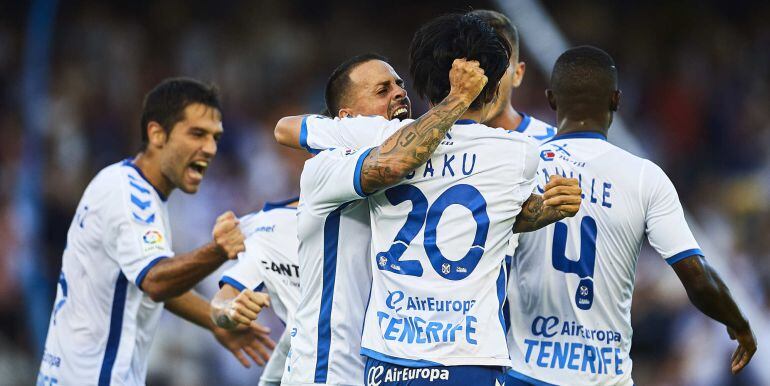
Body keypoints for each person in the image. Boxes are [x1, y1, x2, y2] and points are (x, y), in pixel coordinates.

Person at [504, 46, 757, 386]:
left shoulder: (518, 164)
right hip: (603, 376)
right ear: (616, 100)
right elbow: (697, 279)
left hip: (526, 371)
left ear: (551, 99)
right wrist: (738, 323)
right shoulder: (643, 176)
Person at [37, 78, 274, 386]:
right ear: (157, 133)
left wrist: (214, 321)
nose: (210, 148)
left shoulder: (125, 185)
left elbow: (148, 279)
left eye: (215, 137)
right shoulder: (131, 197)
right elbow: (156, 281)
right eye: (197, 134)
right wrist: (218, 250)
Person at [209, 197, 300, 386]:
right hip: (306, 370)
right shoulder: (269, 226)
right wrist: (230, 310)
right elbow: (222, 302)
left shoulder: (372, 213)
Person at [469, 9, 556, 142]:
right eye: (474, 64)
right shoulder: (432, 142)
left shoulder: (552, 145)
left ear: (517, 74)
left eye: (496, 65)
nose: (484, 79)